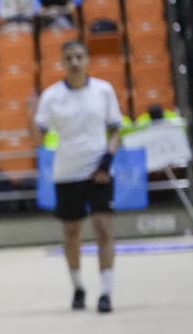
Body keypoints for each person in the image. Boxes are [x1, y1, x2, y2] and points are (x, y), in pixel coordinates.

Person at [29, 40, 123, 313]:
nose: (74, 62)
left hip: (99, 170)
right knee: (71, 232)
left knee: (103, 227)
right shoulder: (52, 96)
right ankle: (78, 287)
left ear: (87, 59)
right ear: (62, 61)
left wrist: (106, 162)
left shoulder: (103, 91)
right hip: (67, 172)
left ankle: (106, 292)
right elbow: (38, 138)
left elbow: (115, 130)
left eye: (79, 56)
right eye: (69, 57)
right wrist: (29, 114)